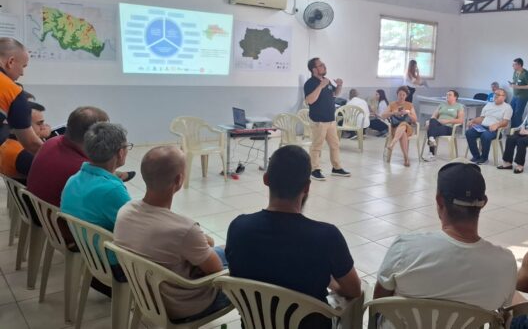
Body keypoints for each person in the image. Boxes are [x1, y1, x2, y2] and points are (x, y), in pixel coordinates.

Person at [226, 145, 361, 328]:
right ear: (307, 187)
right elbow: (354, 290)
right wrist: (331, 282)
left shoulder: (238, 228)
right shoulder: (327, 237)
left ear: (266, 179)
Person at [374, 161, 516, 314]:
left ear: (439, 200)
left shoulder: (405, 249)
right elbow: (505, 309)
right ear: (484, 203)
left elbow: (378, 303)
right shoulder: (505, 264)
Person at [113, 146, 230, 322]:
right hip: (185, 306)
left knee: (225, 250)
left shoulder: (125, 212)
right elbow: (216, 271)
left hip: (146, 297)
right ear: (179, 179)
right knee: (245, 264)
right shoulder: (184, 230)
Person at [61, 122, 132, 270]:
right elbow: (136, 229)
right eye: (127, 146)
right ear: (120, 153)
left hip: (88, 255)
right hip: (113, 264)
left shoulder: (73, 180)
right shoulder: (112, 190)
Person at [303, 57, 351, 181]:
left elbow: (335, 94)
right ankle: (314, 170)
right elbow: (310, 100)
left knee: (335, 145)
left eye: (323, 64)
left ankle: (336, 168)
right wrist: (320, 86)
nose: (324, 66)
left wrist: (339, 85)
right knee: (317, 146)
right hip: (318, 121)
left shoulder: (327, 81)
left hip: (330, 120)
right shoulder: (310, 83)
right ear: (314, 69)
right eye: (321, 65)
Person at [0, 38, 43, 153]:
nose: (22, 73)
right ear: (11, 62)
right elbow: (32, 144)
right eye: (23, 66)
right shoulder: (12, 92)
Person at [0, 101, 51, 182]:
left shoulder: (7, 142)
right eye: (40, 123)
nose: (44, 127)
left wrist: (39, 135)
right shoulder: (25, 156)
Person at [465, 88, 512, 164]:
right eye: (495, 94)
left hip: (495, 130)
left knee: (485, 135)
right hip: (483, 127)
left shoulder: (507, 107)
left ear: (504, 97)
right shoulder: (489, 104)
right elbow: (482, 118)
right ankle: (476, 156)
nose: (495, 96)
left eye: (498, 95)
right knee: (469, 133)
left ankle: (484, 158)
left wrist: (497, 125)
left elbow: (505, 122)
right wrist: (473, 121)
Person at [424, 90, 464, 162]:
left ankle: (431, 153)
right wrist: (429, 122)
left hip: (449, 127)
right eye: (447, 94)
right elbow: (433, 116)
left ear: (455, 97)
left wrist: (447, 121)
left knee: (431, 129)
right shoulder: (441, 105)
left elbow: (460, 120)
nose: (447, 96)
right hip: (438, 124)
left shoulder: (459, 106)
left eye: (450, 95)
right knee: (432, 120)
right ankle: (432, 138)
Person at [382, 86, 417, 167]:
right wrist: (394, 113)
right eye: (400, 94)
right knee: (403, 133)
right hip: (395, 128)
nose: (401, 96)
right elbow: (383, 116)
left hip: (408, 128)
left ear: (406, 96)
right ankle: (406, 158)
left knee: (404, 124)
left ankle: (393, 143)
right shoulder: (392, 104)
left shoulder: (409, 105)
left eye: (403, 95)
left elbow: (415, 119)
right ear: (397, 94)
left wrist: (408, 113)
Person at [509, 58, 528, 128]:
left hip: (522, 97)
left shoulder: (525, 73)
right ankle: (512, 130)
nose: (512, 66)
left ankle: (517, 131)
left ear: (519, 65)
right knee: (510, 112)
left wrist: (518, 87)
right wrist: (512, 84)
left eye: (514, 64)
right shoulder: (515, 72)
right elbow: (516, 82)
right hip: (515, 96)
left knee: (517, 115)